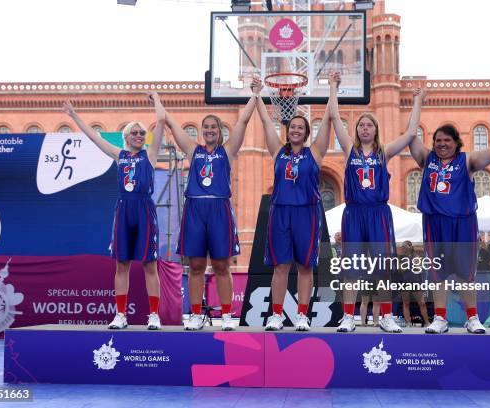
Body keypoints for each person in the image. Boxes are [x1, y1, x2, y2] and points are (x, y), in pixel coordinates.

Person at [155, 81, 261, 331]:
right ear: (202, 131)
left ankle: (226, 315)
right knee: (196, 266)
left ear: (220, 131)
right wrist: (158, 100)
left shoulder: (228, 150)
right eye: (206, 127)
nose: (210, 130)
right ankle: (193, 314)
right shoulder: (193, 150)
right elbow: (170, 122)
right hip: (194, 210)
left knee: (222, 265)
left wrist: (255, 95)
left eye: (214, 127)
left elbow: (244, 122)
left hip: (219, 210)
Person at [408, 100, 490, 334]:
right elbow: (411, 135)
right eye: (438, 140)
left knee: (466, 273)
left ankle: (472, 317)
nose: (442, 144)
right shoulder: (427, 159)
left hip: (463, 222)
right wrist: (417, 103)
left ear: (456, 143)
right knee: (439, 273)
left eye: (447, 140)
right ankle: (440, 318)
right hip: (434, 222)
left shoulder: (467, 161)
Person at [63, 96, 165, 330]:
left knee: (150, 264)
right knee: (122, 264)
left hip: (144, 210)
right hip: (124, 210)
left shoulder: (149, 155)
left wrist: (156, 99)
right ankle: (120, 314)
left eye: (142, 133)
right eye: (135, 133)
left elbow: (160, 121)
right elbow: (93, 136)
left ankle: (154, 315)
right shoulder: (119, 155)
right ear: (126, 137)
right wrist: (74, 115)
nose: (140, 136)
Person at [334, 85, 425, 333]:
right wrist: (333, 88)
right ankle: (348, 317)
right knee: (351, 267)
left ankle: (386, 316)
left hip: (378, 214)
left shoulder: (384, 152)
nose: (365, 128)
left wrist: (417, 100)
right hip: (353, 214)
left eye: (369, 125)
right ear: (356, 130)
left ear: (376, 130)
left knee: (382, 266)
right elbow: (334, 118)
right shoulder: (349, 150)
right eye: (361, 125)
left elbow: (409, 134)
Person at [257, 73, 337, 331]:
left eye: (301, 128)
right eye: (292, 127)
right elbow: (265, 122)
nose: (296, 130)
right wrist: (257, 94)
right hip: (280, 212)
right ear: (288, 130)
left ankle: (302, 315)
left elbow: (327, 121)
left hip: (307, 213)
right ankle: (277, 315)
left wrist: (333, 88)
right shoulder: (278, 151)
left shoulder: (315, 153)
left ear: (306, 132)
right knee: (280, 267)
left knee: (305, 266)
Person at [397, 241, 430, 327]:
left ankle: (427, 322)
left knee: (422, 303)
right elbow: (400, 271)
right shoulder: (402, 258)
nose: (403, 248)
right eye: (402, 246)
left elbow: (420, 269)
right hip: (405, 283)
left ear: (410, 246)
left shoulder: (416, 256)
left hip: (416, 283)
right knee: (406, 303)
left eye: (405, 246)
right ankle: (408, 322)